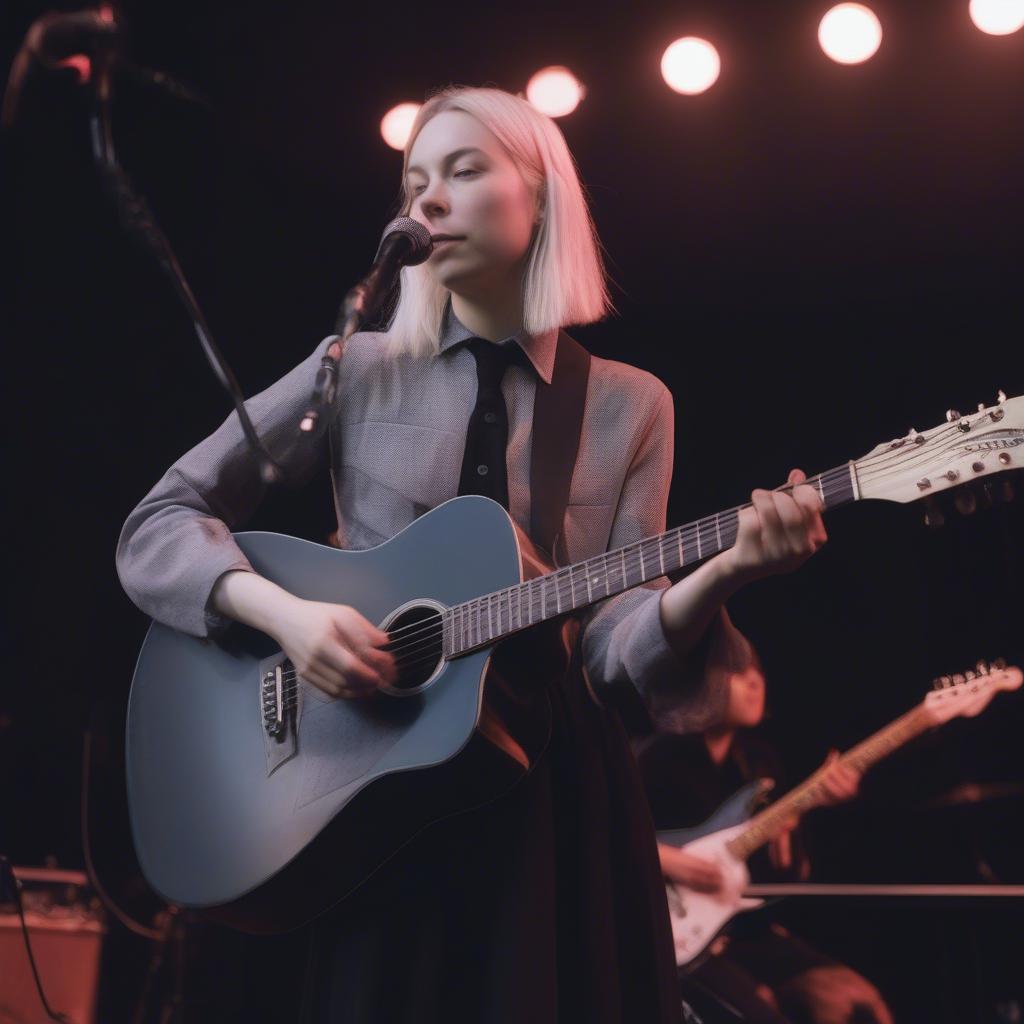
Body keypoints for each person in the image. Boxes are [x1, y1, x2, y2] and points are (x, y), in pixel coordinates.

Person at [116, 85, 827, 1023]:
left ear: (543, 200)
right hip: (376, 789)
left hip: (552, 801)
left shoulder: (630, 404)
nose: (428, 202)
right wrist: (285, 616)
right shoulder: (356, 369)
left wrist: (728, 570)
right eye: (414, 182)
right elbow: (159, 522)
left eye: (463, 170)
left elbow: (617, 650)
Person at [638, 642, 894, 1024]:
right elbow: (602, 837)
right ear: (697, 682)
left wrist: (785, 835)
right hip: (678, 937)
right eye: (738, 672)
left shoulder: (760, 764)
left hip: (745, 928)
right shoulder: (656, 758)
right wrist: (670, 861)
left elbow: (782, 882)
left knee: (860, 1003)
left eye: (757, 670)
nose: (755, 681)